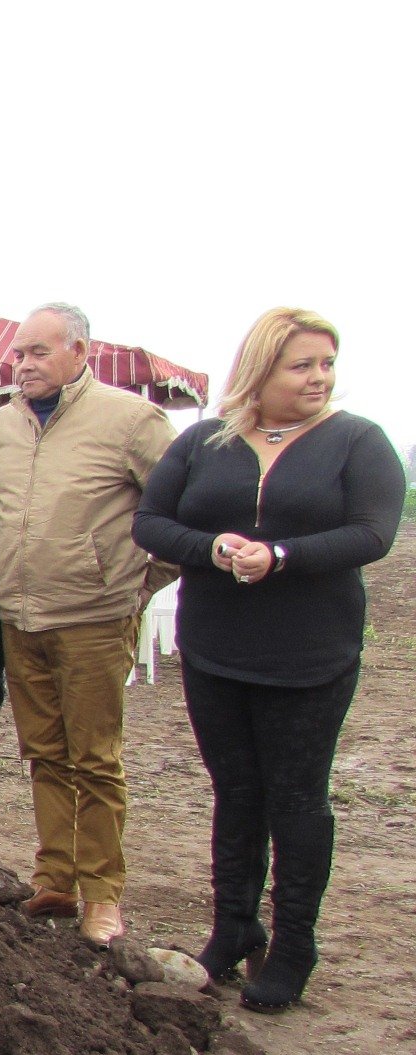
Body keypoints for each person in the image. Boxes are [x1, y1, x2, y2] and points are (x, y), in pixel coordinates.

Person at [133, 309, 404, 1012]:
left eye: (326, 364)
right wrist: (215, 549)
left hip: (310, 651)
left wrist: (281, 556)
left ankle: (292, 947)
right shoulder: (202, 442)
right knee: (237, 792)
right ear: (261, 368)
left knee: (297, 798)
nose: (319, 377)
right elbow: (153, 522)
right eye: (302, 365)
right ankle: (233, 925)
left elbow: (374, 532)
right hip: (217, 646)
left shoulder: (356, 441)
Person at [0, 303, 178, 946]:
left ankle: (103, 896)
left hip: (94, 618)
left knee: (95, 759)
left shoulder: (132, 420)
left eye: (38, 352)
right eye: (18, 353)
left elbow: (180, 514)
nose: (24, 365)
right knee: (42, 753)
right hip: (22, 614)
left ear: (79, 352)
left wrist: (134, 589)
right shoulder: (6, 426)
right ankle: (55, 878)